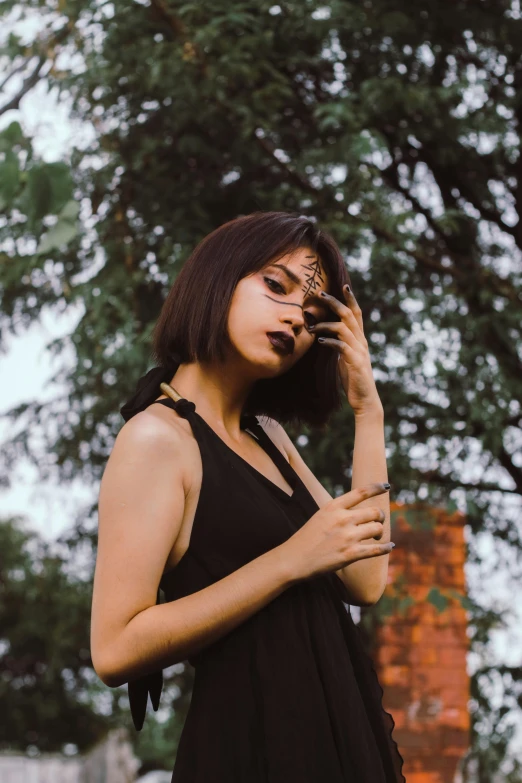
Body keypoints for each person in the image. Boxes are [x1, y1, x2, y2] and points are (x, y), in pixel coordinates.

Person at [90, 211, 405, 782]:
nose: (294, 318)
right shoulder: (158, 439)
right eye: (275, 286)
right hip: (249, 748)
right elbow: (114, 648)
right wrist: (289, 561)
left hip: (336, 742)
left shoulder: (270, 438)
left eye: (312, 316)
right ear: (218, 277)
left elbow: (366, 580)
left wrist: (368, 411)